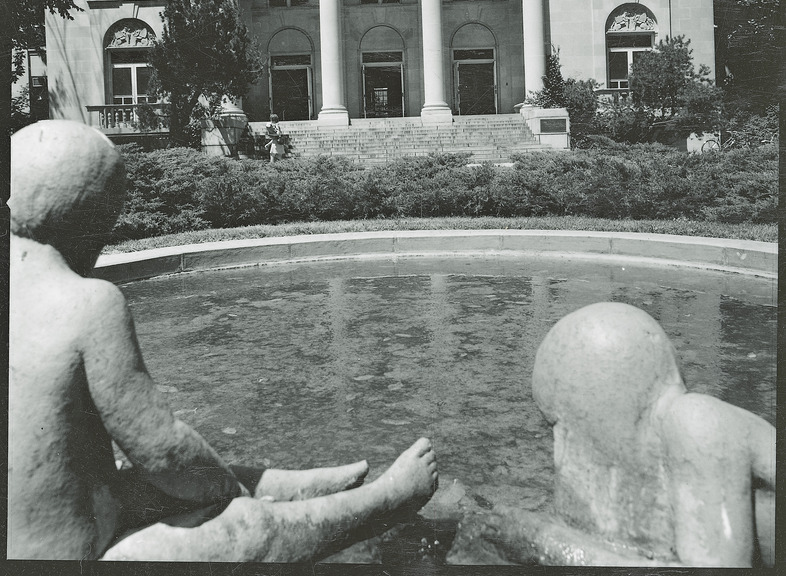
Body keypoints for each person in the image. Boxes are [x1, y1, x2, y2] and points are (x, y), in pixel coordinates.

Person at [8, 120, 438, 561]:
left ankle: (289, 485)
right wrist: (230, 495)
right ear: (97, 220)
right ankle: (386, 502)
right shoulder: (86, 302)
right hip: (68, 556)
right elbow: (163, 448)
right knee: (243, 529)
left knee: (137, 485)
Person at [459, 302, 775, 567]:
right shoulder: (665, 448)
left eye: (558, 426)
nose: (559, 453)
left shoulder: (697, 421)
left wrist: (549, 543)